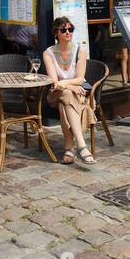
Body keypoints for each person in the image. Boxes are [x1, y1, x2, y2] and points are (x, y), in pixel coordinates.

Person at [43, 16, 96, 165]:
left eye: (70, 29)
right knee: (65, 94)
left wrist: (65, 83)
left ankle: (69, 148)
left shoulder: (80, 50)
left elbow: (80, 78)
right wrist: (69, 85)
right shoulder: (48, 53)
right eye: (63, 29)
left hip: (74, 94)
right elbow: (54, 82)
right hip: (55, 94)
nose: (68, 32)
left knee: (64, 102)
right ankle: (81, 145)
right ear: (56, 33)